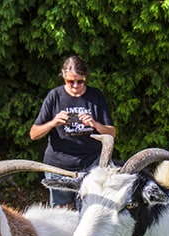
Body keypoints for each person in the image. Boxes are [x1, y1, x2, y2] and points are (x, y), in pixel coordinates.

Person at [30, 55, 116, 208]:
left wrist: (94, 123)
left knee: (90, 209)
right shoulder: (55, 96)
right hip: (59, 167)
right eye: (70, 81)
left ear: (86, 78)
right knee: (61, 213)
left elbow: (111, 133)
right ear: (63, 76)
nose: (75, 86)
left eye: (80, 81)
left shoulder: (95, 96)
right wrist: (53, 122)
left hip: (91, 165)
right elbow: (34, 134)